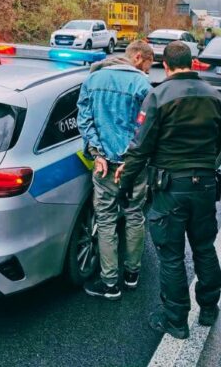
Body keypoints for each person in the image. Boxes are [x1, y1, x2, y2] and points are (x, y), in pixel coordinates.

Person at [115, 41, 221, 339]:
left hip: (169, 188)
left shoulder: (158, 96)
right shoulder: (215, 96)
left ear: (165, 65)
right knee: (204, 247)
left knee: (172, 256)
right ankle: (209, 309)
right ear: (192, 63)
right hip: (204, 185)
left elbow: (140, 147)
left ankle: (176, 321)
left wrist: (124, 186)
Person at [76, 40, 154, 300]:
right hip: (132, 166)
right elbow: (147, 129)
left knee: (106, 220)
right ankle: (132, 275)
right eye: (149, 64)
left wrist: (97, 152)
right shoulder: (143, 85)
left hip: (104, 166)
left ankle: (110, 284)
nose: (149, 70)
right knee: (134, 215)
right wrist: (132, 160)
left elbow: (84, 121)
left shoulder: (93, 79)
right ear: (138, 58)